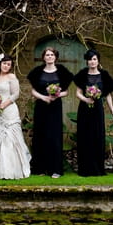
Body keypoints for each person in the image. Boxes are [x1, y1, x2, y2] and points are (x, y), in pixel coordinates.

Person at [26, 47, 73, 178]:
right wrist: (43, 97)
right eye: (47, 55)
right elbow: (33, 91)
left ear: (55, 57)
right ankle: (40, 168)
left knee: (54, 136)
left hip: (55, 107)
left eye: (52, 55)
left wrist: (57, 95)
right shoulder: (37, 71)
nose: (49, 57)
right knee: (40, 135)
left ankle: (55, 169)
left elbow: (67, 91)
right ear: (44, 57)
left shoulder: (62, 71)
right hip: (41, 106)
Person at [73, 49, 113, 176]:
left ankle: (97, 169)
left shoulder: (104, 75)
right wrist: (86, 99)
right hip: (84, 109)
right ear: (87, 61)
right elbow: (77, 93)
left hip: (98, 109)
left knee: (97, 137)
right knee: (84, 137)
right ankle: (84, 169)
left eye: (94, 59)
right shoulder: (82, 74)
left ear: (98, 61)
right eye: (90, 59)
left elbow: (108, 95)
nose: (92, 62)